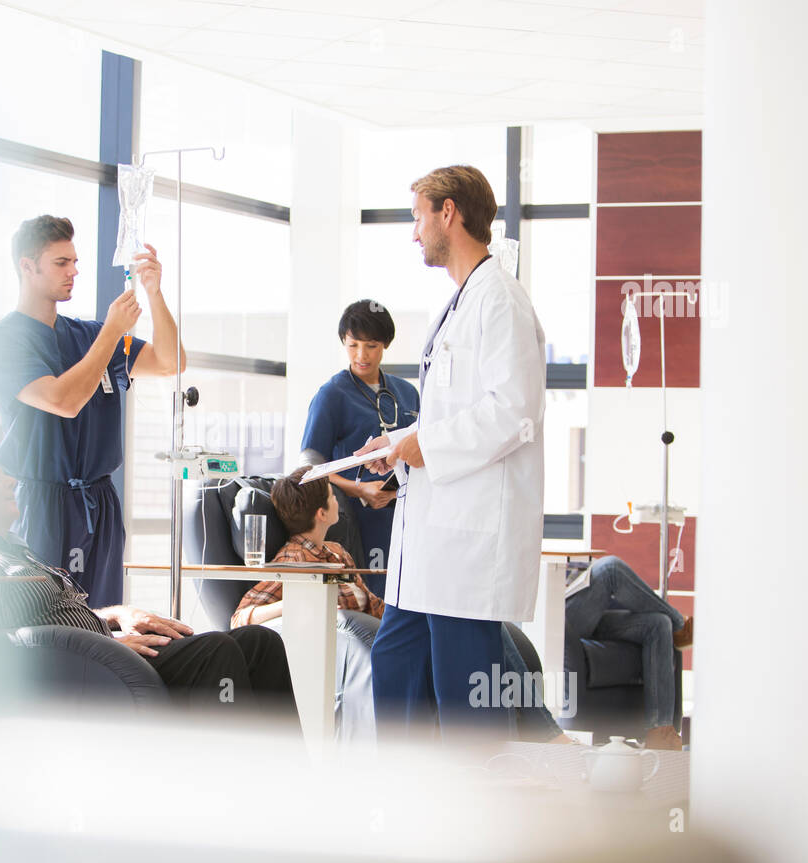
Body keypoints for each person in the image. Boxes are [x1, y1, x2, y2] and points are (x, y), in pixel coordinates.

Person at [360, 165, 546, 739]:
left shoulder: (501, 301)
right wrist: (399, 444)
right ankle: (407, 804)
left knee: (467, 705)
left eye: (418, 217)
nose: (414, 233)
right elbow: (451, 412)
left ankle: (481, 815)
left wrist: (426, 444)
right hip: (429, 545)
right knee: (394, 667)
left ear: (449, 212)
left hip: (469, 547)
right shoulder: (460, 303)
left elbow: (513, 412)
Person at [0, 446, 298, 725]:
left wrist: (118, 614)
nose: (10, 481)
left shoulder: (13, 548)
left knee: (257, 641)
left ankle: (293, 783)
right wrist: (106, 646)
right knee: (216, 649)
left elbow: (53, 611)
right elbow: (6, 638)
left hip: (102, 650)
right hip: (83, 667)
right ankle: (236, 789)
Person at [233, 468, 573, 744]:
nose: (340, 502)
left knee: (482, 622)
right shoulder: (294, 559)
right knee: (477, 629)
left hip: (382, 627)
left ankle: (527, 739)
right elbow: (242, 616)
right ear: (322, 512)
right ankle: (542, 733)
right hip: (354, 641)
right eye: (334, 497)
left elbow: (376, 605)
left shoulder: (337, 552)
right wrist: (294, 604)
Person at [0, 216, 185, 609]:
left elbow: (169, 361)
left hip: (100, 501)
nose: (74, 271)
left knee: (105, 621)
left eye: (74, 261)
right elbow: (63, 401)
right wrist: (111, 333)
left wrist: (154, 294)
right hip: (42, 501)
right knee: (49, 619)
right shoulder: (6, 341)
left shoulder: (87, 334)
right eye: (61, 263)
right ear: (27, 265)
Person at [300, 300, 420, 598]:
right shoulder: (332, 395)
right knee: (373, 600)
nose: (361, 355)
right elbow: (309, 469)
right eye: (353, 345)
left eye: (371, 346)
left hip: (406, 518)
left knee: (408, 598)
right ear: (344, 342)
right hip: (357, 522)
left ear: (386, 345)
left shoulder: (407, 393)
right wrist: (359, 489)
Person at [566, 556, 693, 750]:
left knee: (658, 624)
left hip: (582, 608)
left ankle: (660, 730)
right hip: (557, 613)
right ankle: (681, 627)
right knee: (610, 569)